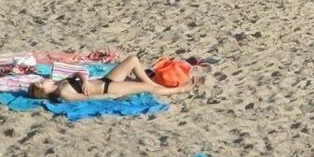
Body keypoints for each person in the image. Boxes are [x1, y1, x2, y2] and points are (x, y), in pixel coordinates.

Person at [27, 54, 199, 102]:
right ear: (44, 90)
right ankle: (182, 89)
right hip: (109, 88)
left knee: (133, 59)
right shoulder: (64, 93)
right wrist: (111, 97)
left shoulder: (60, 84)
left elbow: (76, 73)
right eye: (42, 82)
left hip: (107, 79)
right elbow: (86, 99)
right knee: (148, 88)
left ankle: (153, 83)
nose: (45, 80)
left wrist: (85, 80)